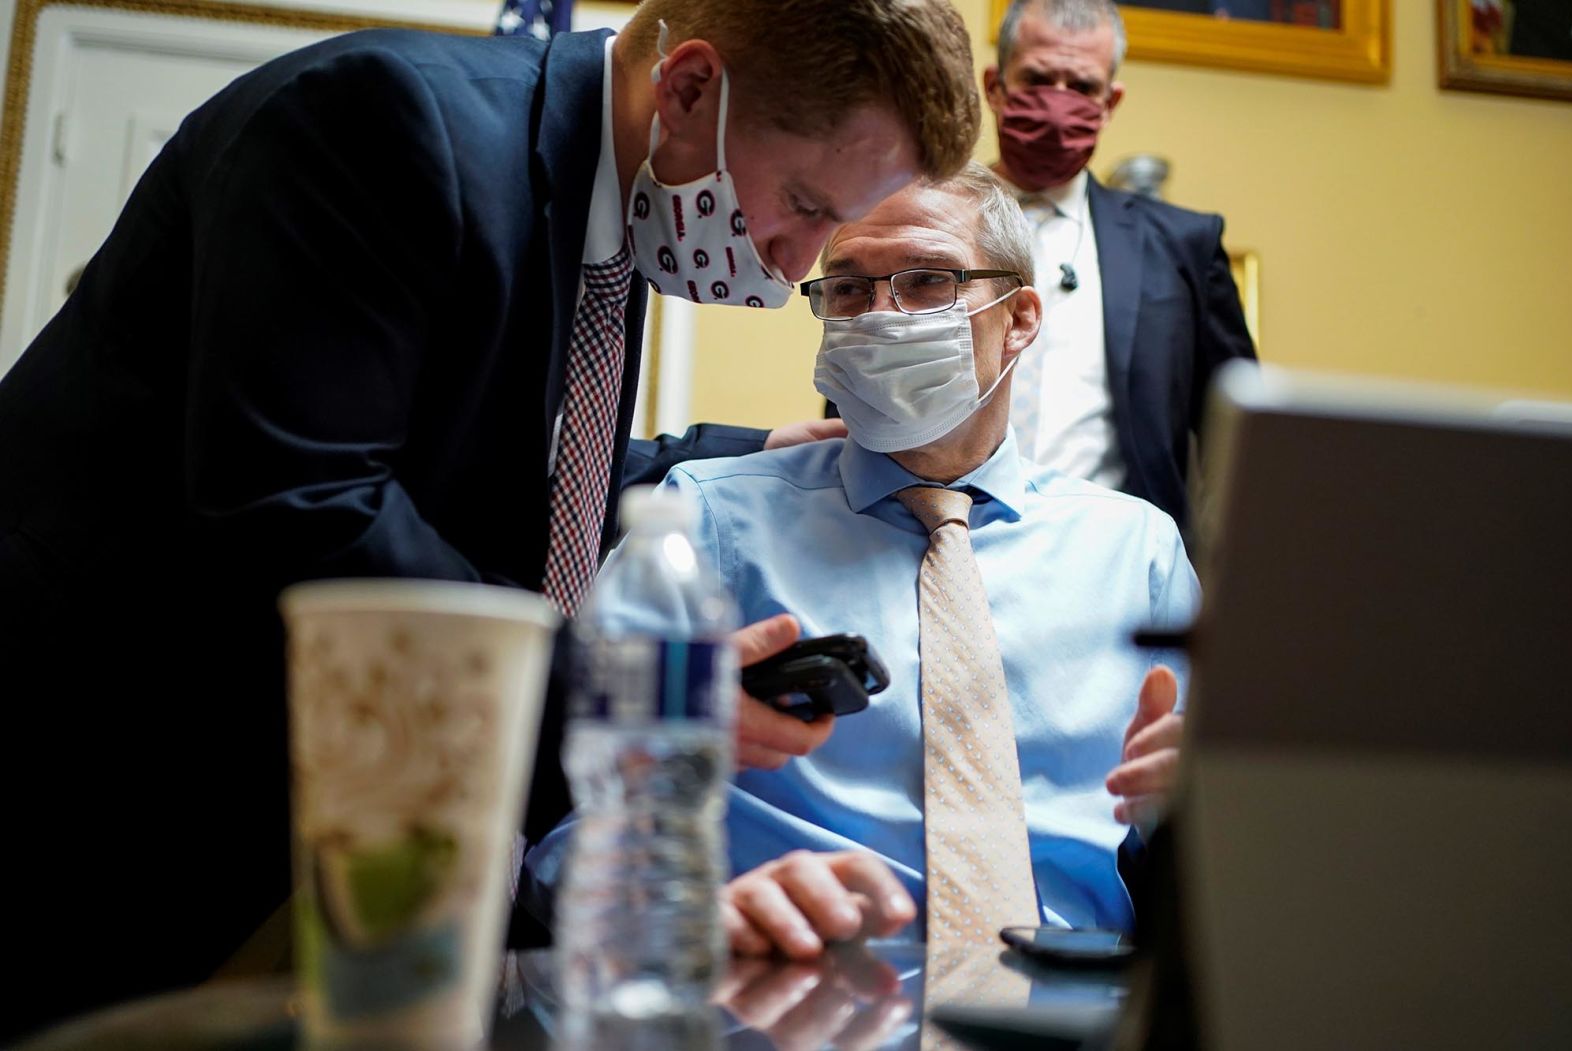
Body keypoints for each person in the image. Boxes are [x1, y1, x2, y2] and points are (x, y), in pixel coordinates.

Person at [0, 0, 978, 1036]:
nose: (792, 267)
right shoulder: (383, 123)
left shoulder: (616, 199)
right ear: (690, 88)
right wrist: (635, 695)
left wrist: (733, 455)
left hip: (286, 798)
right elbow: (302, 508)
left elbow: (498, 463)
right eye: (805, 206)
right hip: (86, 774)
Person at [525, 164, 1197, 958]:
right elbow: (565, 820)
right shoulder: (704, 521)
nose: (881, 316)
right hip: (783, 989)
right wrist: (684, 912)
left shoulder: (1135, 551)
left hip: (1071, 1004)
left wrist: (1210, 805)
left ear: (1019, 319)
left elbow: (1226, 851)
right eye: (846, 289)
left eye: (925, 281)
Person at [988, 0, 1257, 533]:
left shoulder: (1184, 246)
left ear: (1110, 102)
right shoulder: (917, 224)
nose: (1059, 103)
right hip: (936, 549)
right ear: (996, 86)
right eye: (1039, 78)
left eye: (1082, 87)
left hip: (1117, 563)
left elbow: (1243, 439)